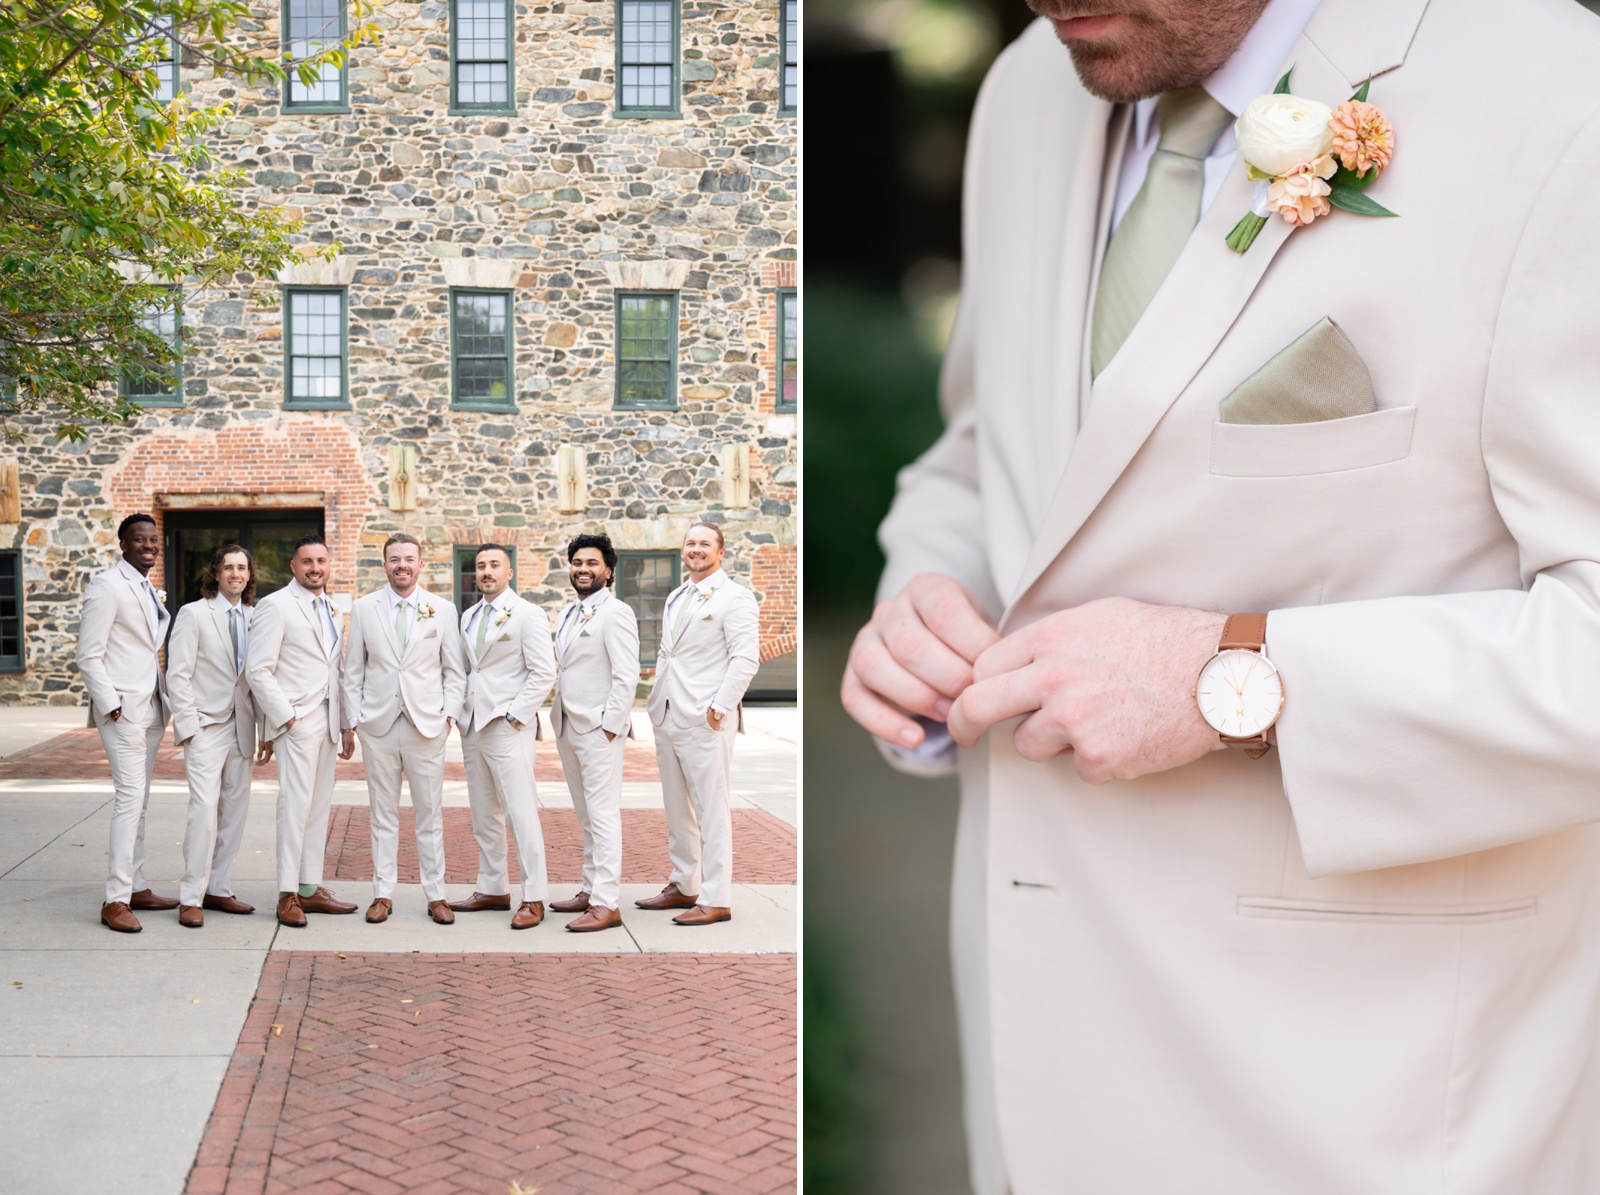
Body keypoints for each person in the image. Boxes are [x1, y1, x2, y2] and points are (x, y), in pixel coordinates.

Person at [841, 0, 1600, 1188]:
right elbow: (990, 447)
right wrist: (924, 585)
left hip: (1368, 1108)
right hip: (1037, 1070)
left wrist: (1231, 677)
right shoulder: (1029, 95)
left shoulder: (1564, 105)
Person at [343, 533, 466, 925]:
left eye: (409, 559)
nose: (402, 565)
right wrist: (355, 721)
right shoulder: (364, 609)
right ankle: (382, 893)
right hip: (377, 726)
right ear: (384, 565)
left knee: (429, 814)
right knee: (382, 815)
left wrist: (448, 717)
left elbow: (454, 671)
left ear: (420, 565)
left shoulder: (442, 610)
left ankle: (436, 894)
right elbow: (353, 671)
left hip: (426, 727)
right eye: (394, 559)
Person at [640, 521, 759, 926]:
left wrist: (720, 707)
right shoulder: (676, 595)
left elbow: (745, 658)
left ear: (720, 552)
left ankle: (716, 897)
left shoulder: (736, 598)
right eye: (690, 543)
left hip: (707, 718)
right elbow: (669, 654)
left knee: (711, 808)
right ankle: (683, 883)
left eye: (704, 544)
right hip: (669, 714)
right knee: (677, 807)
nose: (696, 549)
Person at [247, 534, 359, 928]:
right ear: (293, 566)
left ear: (329, 566)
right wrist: (285, 717)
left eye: (322, 561)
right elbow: (258, 669)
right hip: (296, 722)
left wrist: (346, 723)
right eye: (307, 561)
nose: (315, 568)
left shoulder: (331, 607)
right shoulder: (275, 606)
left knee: (316, 808)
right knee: (293, 809)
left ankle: (310, 888)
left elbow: (338, 670)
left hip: (328, 721)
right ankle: (287, 894)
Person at [77, 513, 178, 932]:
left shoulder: (146, 587)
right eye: (139, 539)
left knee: (140, 803)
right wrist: (112, 705)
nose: (149, 545)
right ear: (122, 544)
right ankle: (115, 898)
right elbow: (88, 654)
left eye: (153, 539)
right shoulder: (107, 585)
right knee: (128, 800)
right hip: (123, 710)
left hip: (151, 707)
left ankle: (136, 885)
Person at [449, 543, 557, 929]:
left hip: (508, 727)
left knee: (520, 811)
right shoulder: (468, 617)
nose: (486, 572)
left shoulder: (528, 614)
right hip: (472, 726)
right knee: (483, 813)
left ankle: (534, 895)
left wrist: (514, 716)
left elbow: (544, 672)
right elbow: (465, 671)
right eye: (480, 566)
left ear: (509, 572)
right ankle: (493, 886)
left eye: (495, 565)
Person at [166, 544, 272, 927]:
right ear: (215, 573)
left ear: (249, 574)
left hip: (244, 728)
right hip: (205, 728)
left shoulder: (256, 617)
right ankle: (190, 896)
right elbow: (177, 674)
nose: (236, 574)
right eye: (228, 568)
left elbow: (261, 675)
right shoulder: (194, 614)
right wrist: (190, 727)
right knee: (203, 814)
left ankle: (219, 889)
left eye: (242, 568)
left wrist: (267, 730)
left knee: (234, 815)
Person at [549, 533, 641, 932]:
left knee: (603, 816)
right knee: (586, 816)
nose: (583, 570)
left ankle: (607, 902)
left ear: (608, 570)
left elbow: (627, 675)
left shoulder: (616, 612)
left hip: (598, 729)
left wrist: (610, 727)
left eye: (591, 564)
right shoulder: (569, 612)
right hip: (568, 726)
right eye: (577, 563)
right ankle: (589, 888)